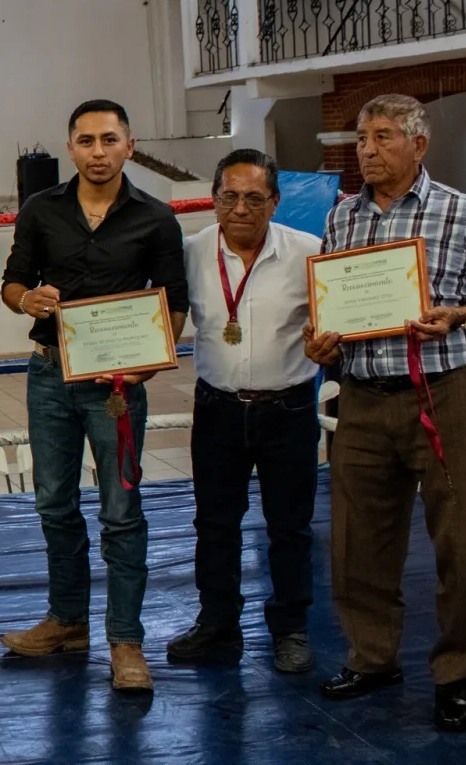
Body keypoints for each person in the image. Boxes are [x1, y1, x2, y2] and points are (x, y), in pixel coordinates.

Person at [304, 94, 466, 732]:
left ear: (418, 145)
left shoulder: (461, 211)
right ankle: (373, 658)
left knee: (460, 543)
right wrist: (323, 340)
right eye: (361, 137)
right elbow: (333, 305)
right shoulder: (343, 218)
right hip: (364, 397)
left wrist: (465, 314)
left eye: (382, 136)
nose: (366, 149)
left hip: (445, 394)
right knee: (357, 542)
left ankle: (457, 675)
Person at [0, 99, 187, 694]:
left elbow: (173, 303)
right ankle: (67, 621)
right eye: (86, 141)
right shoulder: (40, 209)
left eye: (109, 140)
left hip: (117, 387)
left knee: (121, 512)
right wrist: (25, 301)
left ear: (129, 145)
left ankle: (126, 641)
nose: (98, 151)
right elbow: (13, 283)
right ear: (71, 147)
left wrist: (149, 366)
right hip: (51, 374)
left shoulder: (156, 217)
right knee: (53, 504)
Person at [168, 149, 320, 675]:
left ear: (274, 202)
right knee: (214, 524)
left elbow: (335, 327)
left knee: (291, 528)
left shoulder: (310, 253)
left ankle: (291, 628)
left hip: (290, 408)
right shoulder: (189, 253)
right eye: (229, 196)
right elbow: (155, 313)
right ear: (213, 200)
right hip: (218, 409)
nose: (240, 208)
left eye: (254, 198)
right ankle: (217, 622)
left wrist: (331, 347)